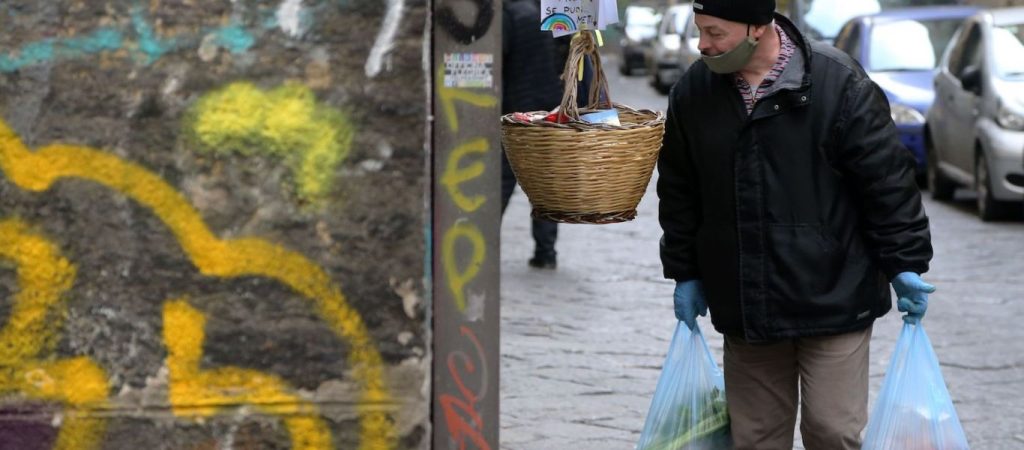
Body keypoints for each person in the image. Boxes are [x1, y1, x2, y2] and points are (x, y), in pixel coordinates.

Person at [656, 1, 934, 449]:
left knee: (833, 430)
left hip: (834, 294)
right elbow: (679, 189)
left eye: (715, 32)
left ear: (758, 27)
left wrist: (905, 263)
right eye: (700, 31)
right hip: (747, 301)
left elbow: (887, 182)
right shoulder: (695, 92)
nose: (703, 44)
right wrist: (684, 270)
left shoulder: (838, 82)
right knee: (756, 436)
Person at [501, 0, 592, 270]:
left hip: (516, 113)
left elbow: (502, 66)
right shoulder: (565, 13)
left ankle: (483, 242)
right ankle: (546, 252)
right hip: (554, 113)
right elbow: (582, 63)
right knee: (545, 184)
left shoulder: (512, 14)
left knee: (502, 180)